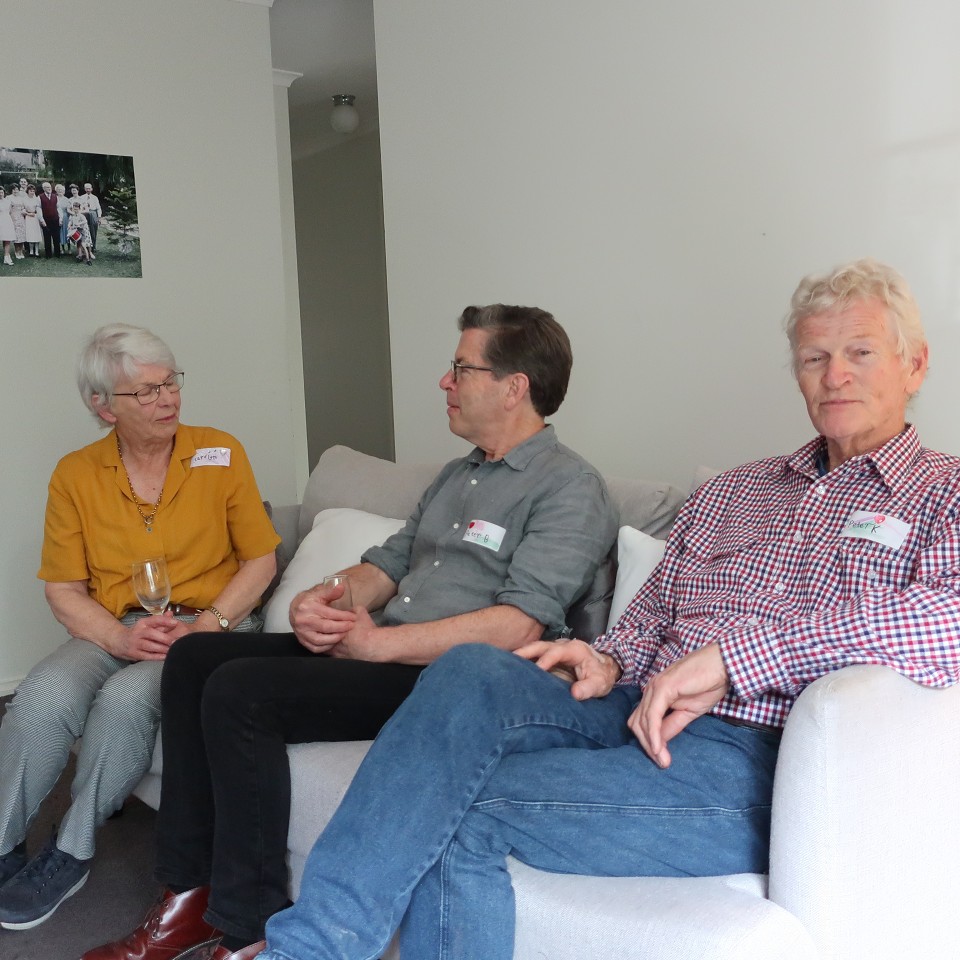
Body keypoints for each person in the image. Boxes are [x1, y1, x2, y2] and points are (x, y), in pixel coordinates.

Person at [240, 258, 959, 960]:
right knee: (471, 670)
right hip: (629, 705)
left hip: (756, 755)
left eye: (860, 352)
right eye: (814, 357)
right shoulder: (736, 492)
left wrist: (734, 659)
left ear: (915, 366)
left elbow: (945, 619)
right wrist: (606, 657)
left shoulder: (944, 493)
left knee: (463, 807)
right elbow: (650, 617)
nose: (834, 376)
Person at [83, 305, 618, 960]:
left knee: (241, 692)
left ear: (514, 387)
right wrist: (323, 598)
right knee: (196, 656)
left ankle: (249, 925)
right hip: (381, 653)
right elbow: (386, 567)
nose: (444, 382)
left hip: (446, 684)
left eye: (460, 368)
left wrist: (377, 645)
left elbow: (520, 622)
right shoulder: (459, 474)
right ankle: (189, 894)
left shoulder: (569, 487)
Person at [0, 324, 279, 931]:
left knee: (127, 698)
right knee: (41, 695)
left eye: (170, 383)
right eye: (146, 391)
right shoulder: (76, 474)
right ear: (104, 407)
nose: (167, 399)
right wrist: (120, 638)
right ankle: (2, 842)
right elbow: (64, 589)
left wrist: (207, 627)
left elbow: (260, 561)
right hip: (117, 624)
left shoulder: (220, 452)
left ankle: (71, 848)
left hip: (213, 626)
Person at [37, 180, 61, 258]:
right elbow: (39, 209)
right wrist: (41, 220)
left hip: (55, 219)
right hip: (46, 220)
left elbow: (59, 208)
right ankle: (48, 254)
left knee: (56, 237)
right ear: (43, 188)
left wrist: (60, 218)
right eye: (47, 187)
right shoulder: (40, 197)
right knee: (47, 238)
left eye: (50, 187)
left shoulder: (55, 196)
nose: (49, 188)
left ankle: (57, 254)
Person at [68, 198, 94, 266]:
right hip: (77, 232)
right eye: (74, 209)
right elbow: (70, 222)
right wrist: (69, 226)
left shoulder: (81, 215)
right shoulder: (72, 216)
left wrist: (79, 224)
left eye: (77, 209)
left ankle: (88, 260)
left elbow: (85, 221)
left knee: (83, 245)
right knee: (78, 245)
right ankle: (80, 257)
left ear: (79, 209)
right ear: (72, 209)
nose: (75, 210)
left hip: (82, 232)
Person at [21, 184, 43, 257]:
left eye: (33, 191)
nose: (32, 192)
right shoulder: (24, 199)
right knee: (30, 234)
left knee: (36, 234)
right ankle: (31, 251)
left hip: (35, 217)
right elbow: (22, 209)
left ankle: (36, 251)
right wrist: (28, 213)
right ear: (28, 191)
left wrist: (39, 217)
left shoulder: (37, 199)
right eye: (31, 191)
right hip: (28, 218)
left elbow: (39, 209)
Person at [81, 182, 103, 253]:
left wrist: (99, 217)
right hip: (85, 214)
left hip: (93, 213)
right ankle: (85, 247)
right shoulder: (82, 197)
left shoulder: (95, 198)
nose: (88, 190)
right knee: (85, 231)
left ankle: (93, 246)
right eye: (86, 188)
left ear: (91, 189)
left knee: (93, 231)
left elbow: (98, 208)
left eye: (89, 188)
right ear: (84, 189)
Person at [0, 187, 16, 265]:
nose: (0, 194)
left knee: (7, 238)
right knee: (3, 237)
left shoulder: (8, 201)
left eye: (2, 192)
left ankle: (7, 256)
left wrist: (13, 220)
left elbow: (10, 211)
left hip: (7, 220)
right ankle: (6, 256)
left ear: (4, 193)